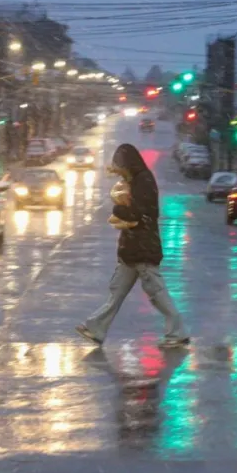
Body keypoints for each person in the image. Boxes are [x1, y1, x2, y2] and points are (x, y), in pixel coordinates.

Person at [76, 144, 190, 349]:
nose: (119, 171)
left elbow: (136, 213)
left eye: (120, 166)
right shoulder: (137, 181)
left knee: (157, 293)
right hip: (132, 250)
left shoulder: (143, 181)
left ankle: (178, 332)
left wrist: (118, 208)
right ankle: (95, 328)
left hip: (143, 248)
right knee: (116, 291)